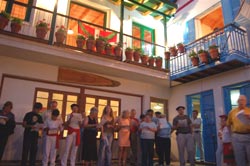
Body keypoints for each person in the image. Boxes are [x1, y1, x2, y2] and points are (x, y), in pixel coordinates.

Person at [227, 95, 250, 166]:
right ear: (237, 101)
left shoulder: (249, 111)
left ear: (246, 102)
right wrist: (231, 136)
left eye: (243, 100)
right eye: (240, 100)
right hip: (236, 137)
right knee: (239, 158)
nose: (241, 102)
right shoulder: (232, 112)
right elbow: (228, 124)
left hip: (248, 136)